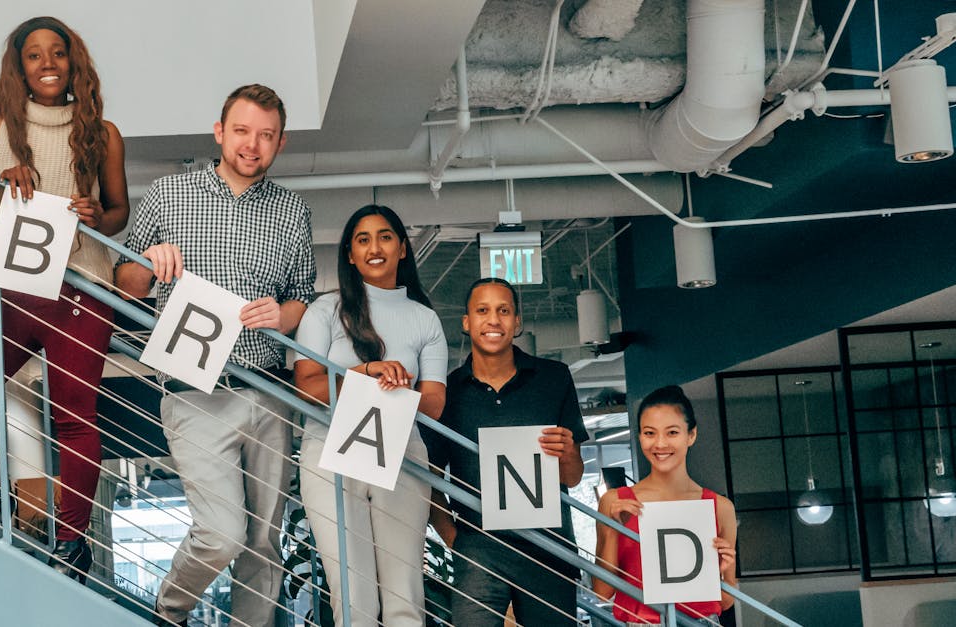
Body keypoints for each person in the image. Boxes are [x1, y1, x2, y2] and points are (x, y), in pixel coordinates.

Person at [0, 16, 128, 583]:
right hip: (15, 285)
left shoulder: (104, 131)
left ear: (74, 62)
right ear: (19, 68)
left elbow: (118, 212)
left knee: (74, 419)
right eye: (34, 55)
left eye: (58, 53)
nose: (47, 63)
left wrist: (99, 217)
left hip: (83, 290)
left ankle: (71, 544)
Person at [115, 84, 315, 627]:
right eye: (243, 131)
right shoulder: (168, 194)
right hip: (192, 390)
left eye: (266, 136)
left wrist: (284, 314)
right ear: (219, 132)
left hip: (269, 389)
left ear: (280, 142)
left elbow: (304, 297)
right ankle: (169, 612)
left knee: (263, 543)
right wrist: (148, 257)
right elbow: (125, 285)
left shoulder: (292, 210)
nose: (253, 144)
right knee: (222, 533)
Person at [293, 205, 448, 627]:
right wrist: (362, 373)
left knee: (405, 597)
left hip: (402, 451)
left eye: (384, 237)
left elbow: (433, 403)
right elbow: (306, 387)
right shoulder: (324, 309)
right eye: (362, 239)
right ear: (349, 254)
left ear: (402, 248)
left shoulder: (424, 318)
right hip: (329, 453)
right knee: (353, 597)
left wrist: (402, 389)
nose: (374, 247)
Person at [430, 277, 588, 626]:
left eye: (504, 311)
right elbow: (428, 477)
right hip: (478, 546)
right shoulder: (448, 392)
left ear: (517, 322)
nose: (493, 320)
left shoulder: (554, 378)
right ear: (467, 322)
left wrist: (567, 453)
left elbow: (573, 477)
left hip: (549, 546)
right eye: (482, 310)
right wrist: (454, 540)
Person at [593, 385, 738, 625]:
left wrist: (724, 571)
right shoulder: (616, 501)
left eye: (672, 432)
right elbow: (601, 592)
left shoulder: (719, 507)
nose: (660, 444)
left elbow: (725, 601)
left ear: (691, 435)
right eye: (649, 433)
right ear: (639, 436)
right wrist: (611, 531)